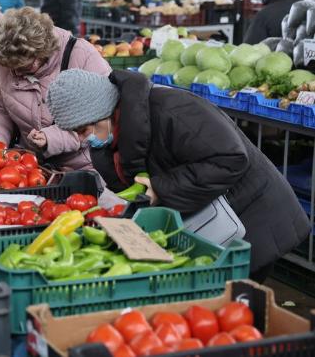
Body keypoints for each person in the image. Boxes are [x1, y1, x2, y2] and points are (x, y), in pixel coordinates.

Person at [46, 69, 310, 282]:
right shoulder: (110, 142)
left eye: (83, 130)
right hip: (212, 221)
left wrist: (161, 188)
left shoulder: (173, 109)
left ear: (102, 112)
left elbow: (231, 159)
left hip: (254, 216)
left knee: (239, 306)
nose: (83, 139)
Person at [0, 7, 110, 169]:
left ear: (41, 53)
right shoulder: (5, 59)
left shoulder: (83, 56)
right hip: (31, 166)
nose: (15, 71)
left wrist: (51, 138)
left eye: (23, 66)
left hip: (84, 166)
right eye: (9, 66)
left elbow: (102, 122)